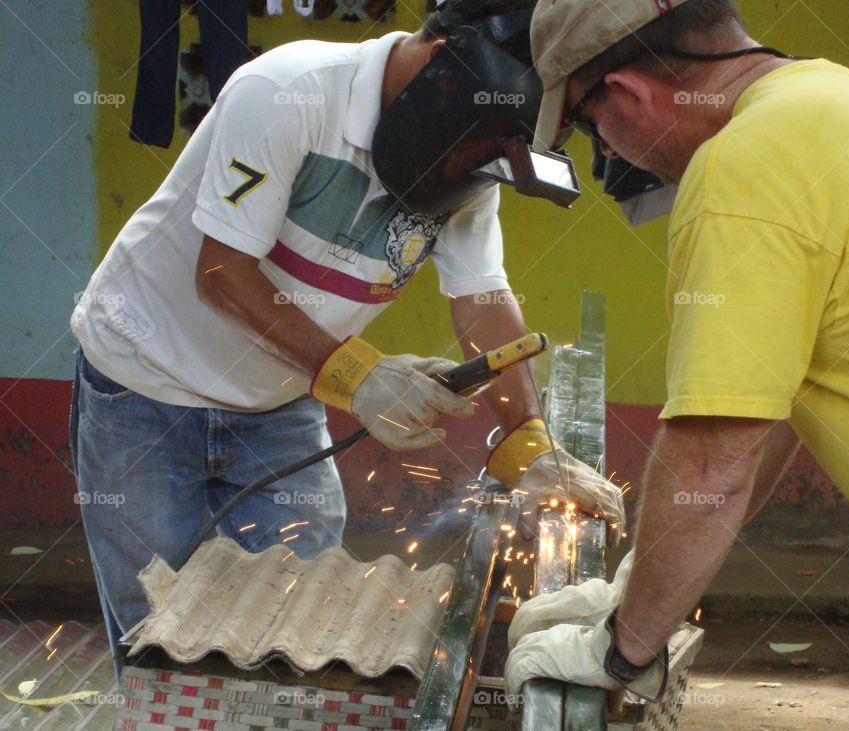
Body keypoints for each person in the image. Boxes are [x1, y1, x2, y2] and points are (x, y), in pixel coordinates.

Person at [70, 0, 624, 660]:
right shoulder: (288, 92)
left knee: (295, 629)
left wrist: (526, 438)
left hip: (280, 402)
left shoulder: (474, 154)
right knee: (161, 636)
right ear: (445, 67)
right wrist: (356, 373)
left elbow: (481, 299)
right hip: (144, 388)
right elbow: (221, 272)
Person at [504, 1, 849, 729]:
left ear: (626, 93)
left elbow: (711, 458)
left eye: (591, 127)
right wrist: (641, 586)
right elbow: (764, 413)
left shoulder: (743, 169)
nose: (609, 156)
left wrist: (623, 652)